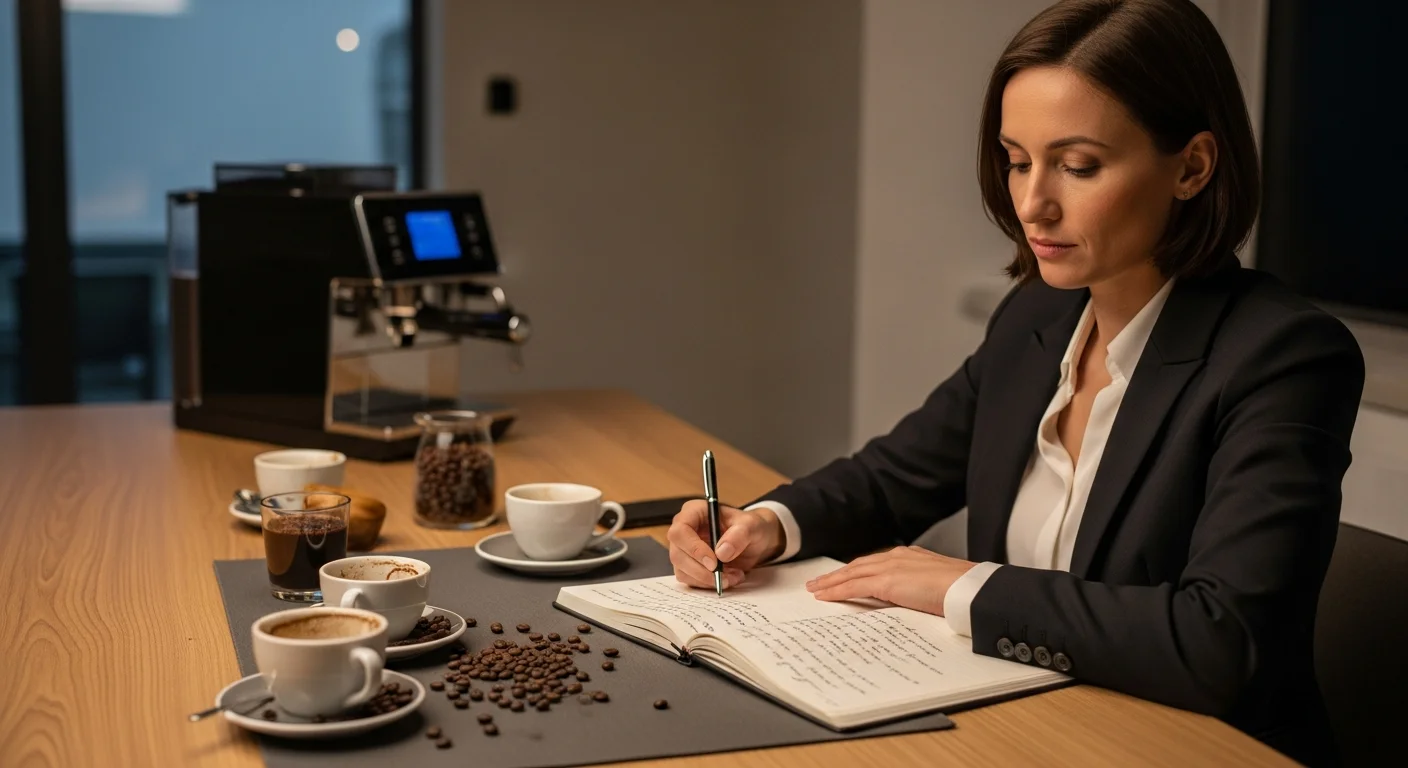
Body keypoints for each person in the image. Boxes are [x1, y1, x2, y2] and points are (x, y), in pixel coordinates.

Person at [666, 0, 1364, 764]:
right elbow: (893, 479)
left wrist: (961, 585)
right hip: (1031, 732)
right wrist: (765, 525)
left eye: (1078, 165)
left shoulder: (1285, 356)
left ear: (1192, 166)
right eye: (1017, 158)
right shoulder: (1036, 316)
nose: (1032, 203)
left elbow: (1221, 641)